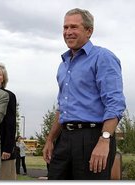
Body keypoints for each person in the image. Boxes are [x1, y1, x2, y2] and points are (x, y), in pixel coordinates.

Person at [42, 8, 126, 180]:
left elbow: (115, 104)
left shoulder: (103, 57)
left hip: (93, 138)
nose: (68, 32)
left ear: (89, 31)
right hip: (64, 139)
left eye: (74, 27)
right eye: (65, 28)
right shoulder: (64, 65)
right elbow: (63, 107)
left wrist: (104, 141)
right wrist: (50, 139)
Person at [0, 64, 17, 180]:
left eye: (0, 74)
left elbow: (11, 123)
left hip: (3, 148)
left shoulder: (9, 96)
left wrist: (8, 148)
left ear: (4, 78)